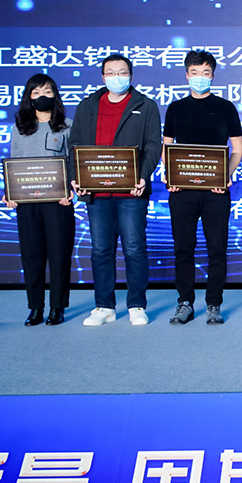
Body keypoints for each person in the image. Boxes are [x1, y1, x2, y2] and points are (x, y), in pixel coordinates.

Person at [69, 53, 162, 326]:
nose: (116, 77)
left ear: (130, 75)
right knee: (100, 250)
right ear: (103, 77)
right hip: (96, 193)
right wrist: (76, 177)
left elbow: (153, 145)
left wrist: (143, 175)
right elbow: (75, 145)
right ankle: (104, 306)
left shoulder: (145, 105)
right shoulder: (88, 105)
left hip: (131, 192)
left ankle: (136, 305)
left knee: (134, 248)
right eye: (110, 72)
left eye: (122, 72)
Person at [163, 50, 242, 325]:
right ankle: (185, 302)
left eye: (205, 73)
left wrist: (225, 175)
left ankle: (214, 304)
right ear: (187, 75)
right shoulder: (176, 108)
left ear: (213, 76)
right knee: (183, 248)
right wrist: (171, 175)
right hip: (182, 191)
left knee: (217, 248)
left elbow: (237, 148)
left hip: (216, 192)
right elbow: (167, 147)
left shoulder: (225, 107)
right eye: (195, 73)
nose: (200, 77)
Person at [6, 74, 74, 326]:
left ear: (55, 95)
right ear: (29, 97)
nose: (41, 97)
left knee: (59, 255)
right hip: (27, 202)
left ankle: (57, 307)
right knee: (32, 256)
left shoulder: (67, 125)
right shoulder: (20, 126)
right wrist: (10, 192)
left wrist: (70, 189)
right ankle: (35, 307)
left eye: (47, 92)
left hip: (58, 202)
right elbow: (13, 162)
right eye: (36, 93)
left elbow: (73, 162)